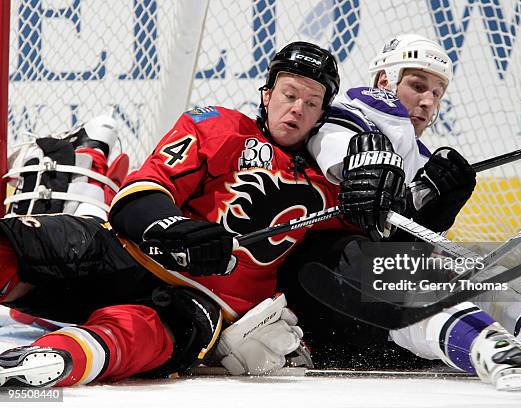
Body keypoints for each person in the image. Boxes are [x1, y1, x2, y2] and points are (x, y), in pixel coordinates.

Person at [0, 41, 346, 387]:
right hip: (126, 252)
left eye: (311, 103)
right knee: (17, 246)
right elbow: (138, 196)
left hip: (198, 306)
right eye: (289, 95)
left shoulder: (332, 184)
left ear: (321, 116)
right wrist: (173, 229)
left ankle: (46, 361)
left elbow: (377, 244)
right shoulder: (220, 127)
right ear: (267, 95)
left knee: (137, 332)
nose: (298, 109)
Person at [278, 34, 521, 390]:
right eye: (418, 86)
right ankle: (491, 347)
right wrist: (367, 168)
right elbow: (339, 151)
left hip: (374, 324)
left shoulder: (415, 152)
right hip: (323, 301)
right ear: (384, 81)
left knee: (463, 269)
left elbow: (401, 238)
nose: (427, 101)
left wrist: (438, 206)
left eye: (437, 93)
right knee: (379, 264)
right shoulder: (356, 113)